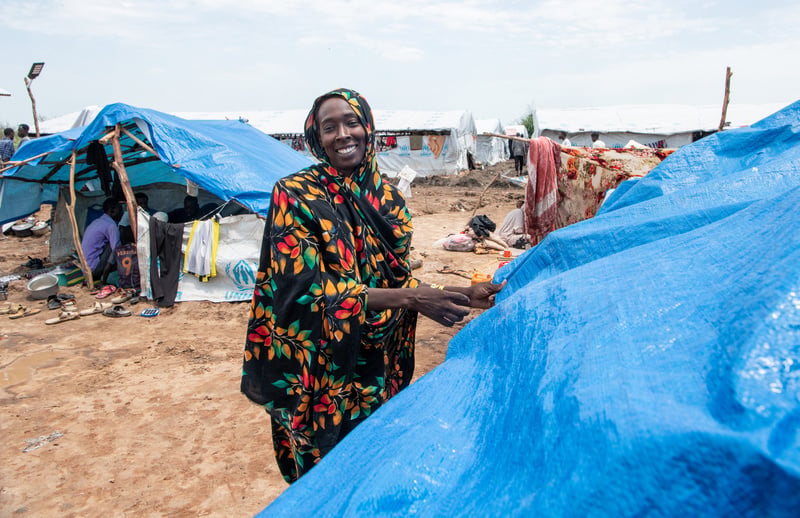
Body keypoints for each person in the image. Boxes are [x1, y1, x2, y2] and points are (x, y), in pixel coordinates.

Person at [241, 88, 504, 483]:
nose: (343, 134)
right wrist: (413, 298)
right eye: (329, 127)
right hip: (321, 366)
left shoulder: (389, 202)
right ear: (316, 138)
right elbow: (301, 290)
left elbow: (394, 280)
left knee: (376, 469)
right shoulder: (295, 195)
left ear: (369, 128)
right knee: (326, 478)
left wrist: (464, 294)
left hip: (378, 365)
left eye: (352, 122)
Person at [81, 197, 122, 281]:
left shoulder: (97, 221)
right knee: (118, 247)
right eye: (120, 210)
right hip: (94, 270)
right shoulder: (111, 225)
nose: (121, 213)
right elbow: (116, 250)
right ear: (112, 211)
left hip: (85, 270)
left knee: (112, 243)